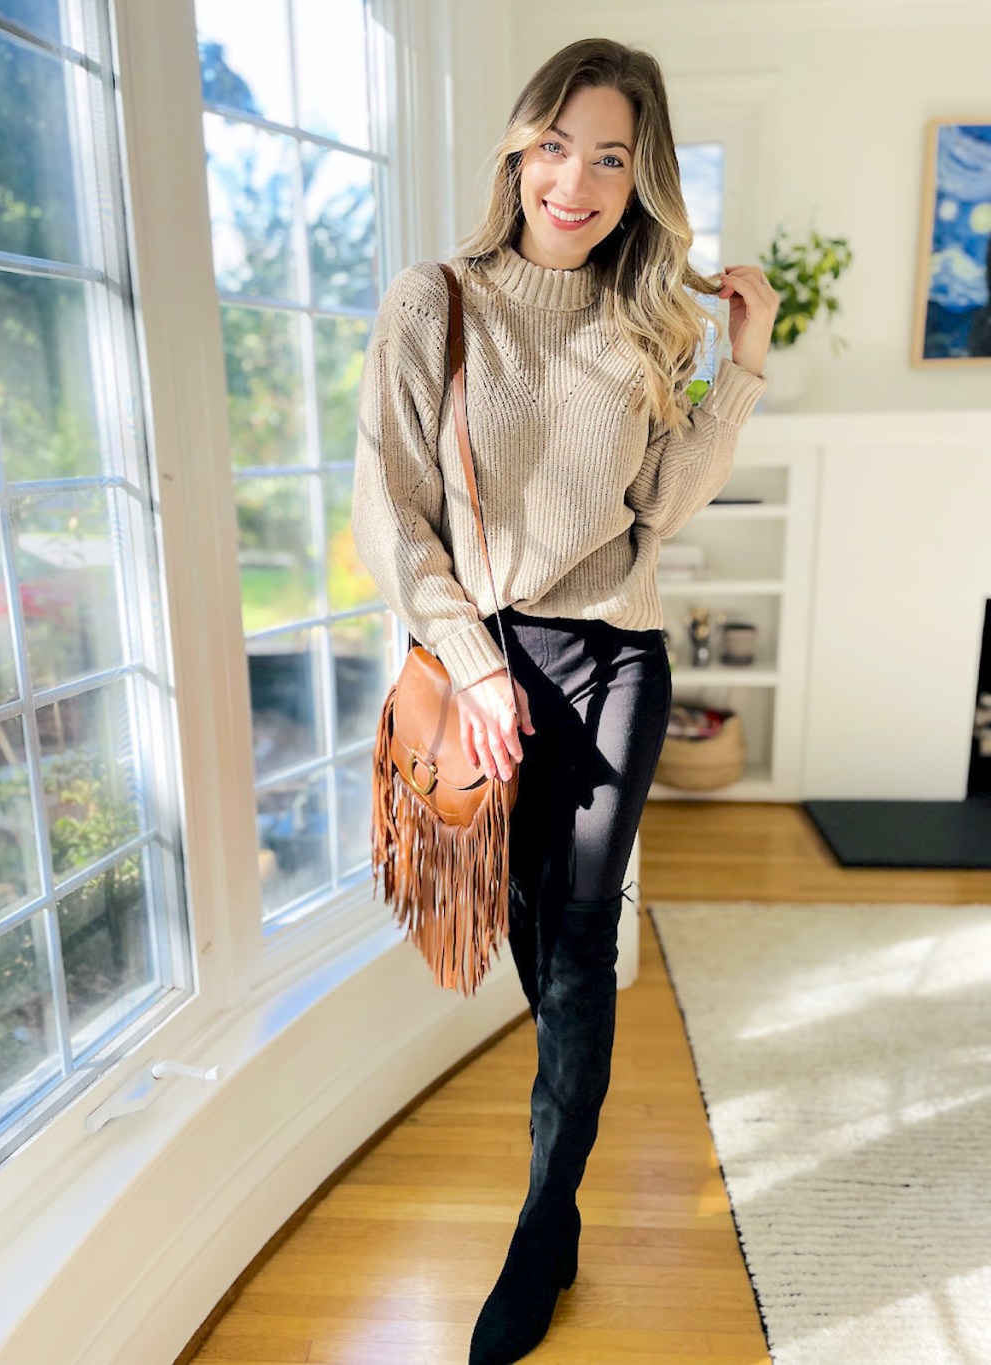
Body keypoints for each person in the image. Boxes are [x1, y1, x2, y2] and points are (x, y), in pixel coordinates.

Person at [351, 36, 778, 1365]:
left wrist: (742, 363)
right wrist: (476, 665)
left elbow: (661, 508)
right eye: (556, 147)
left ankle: (546, 1222)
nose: (577, 183)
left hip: (614, 665)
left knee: (582, 941)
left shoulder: (645, 316)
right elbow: (390, 515)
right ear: (517, 150)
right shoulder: (437, 303)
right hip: (484, 662)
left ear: (640, 176)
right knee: (537, 931)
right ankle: (558, 1164)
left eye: (611, 158)